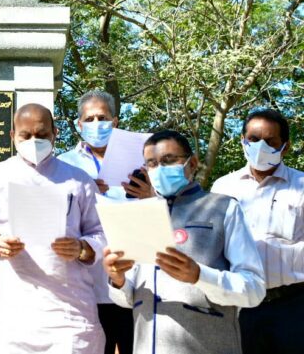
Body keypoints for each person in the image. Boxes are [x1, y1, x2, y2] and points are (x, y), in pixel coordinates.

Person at [103, 130, 266, 354]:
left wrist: (200, 276)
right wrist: (118, 279)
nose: (159, 169)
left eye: (168, 160)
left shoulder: (224, 208)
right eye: (152, 163)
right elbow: (128, 299)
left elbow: (254, 289)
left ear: (193, 163)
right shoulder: (138, 216)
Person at [0, 103, 106, 353]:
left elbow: (102, 233)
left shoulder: (79, 180)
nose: (34, 141)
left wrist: (82, 248)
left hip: (68, 310)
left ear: (55, 133)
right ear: (12, 136)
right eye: (25, 136)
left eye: (41, 135)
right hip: (8, 306)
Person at [212, 108, 304, 354]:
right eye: (253, 139)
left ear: (284, 147)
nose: (260, 147)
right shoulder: (223, 188)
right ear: (242, 140)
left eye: (271, 141)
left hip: (294, 306)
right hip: (240, 309)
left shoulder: (302, 186)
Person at [58, 90, 135, 354]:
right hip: (86, 286)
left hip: (131, 282)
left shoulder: (141, 160)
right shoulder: (64, 165)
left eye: (102, 117)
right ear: (79, 124)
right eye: (89, 119)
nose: (96, 124)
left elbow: (160, 211)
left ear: (115, 121)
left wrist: (149, 194)